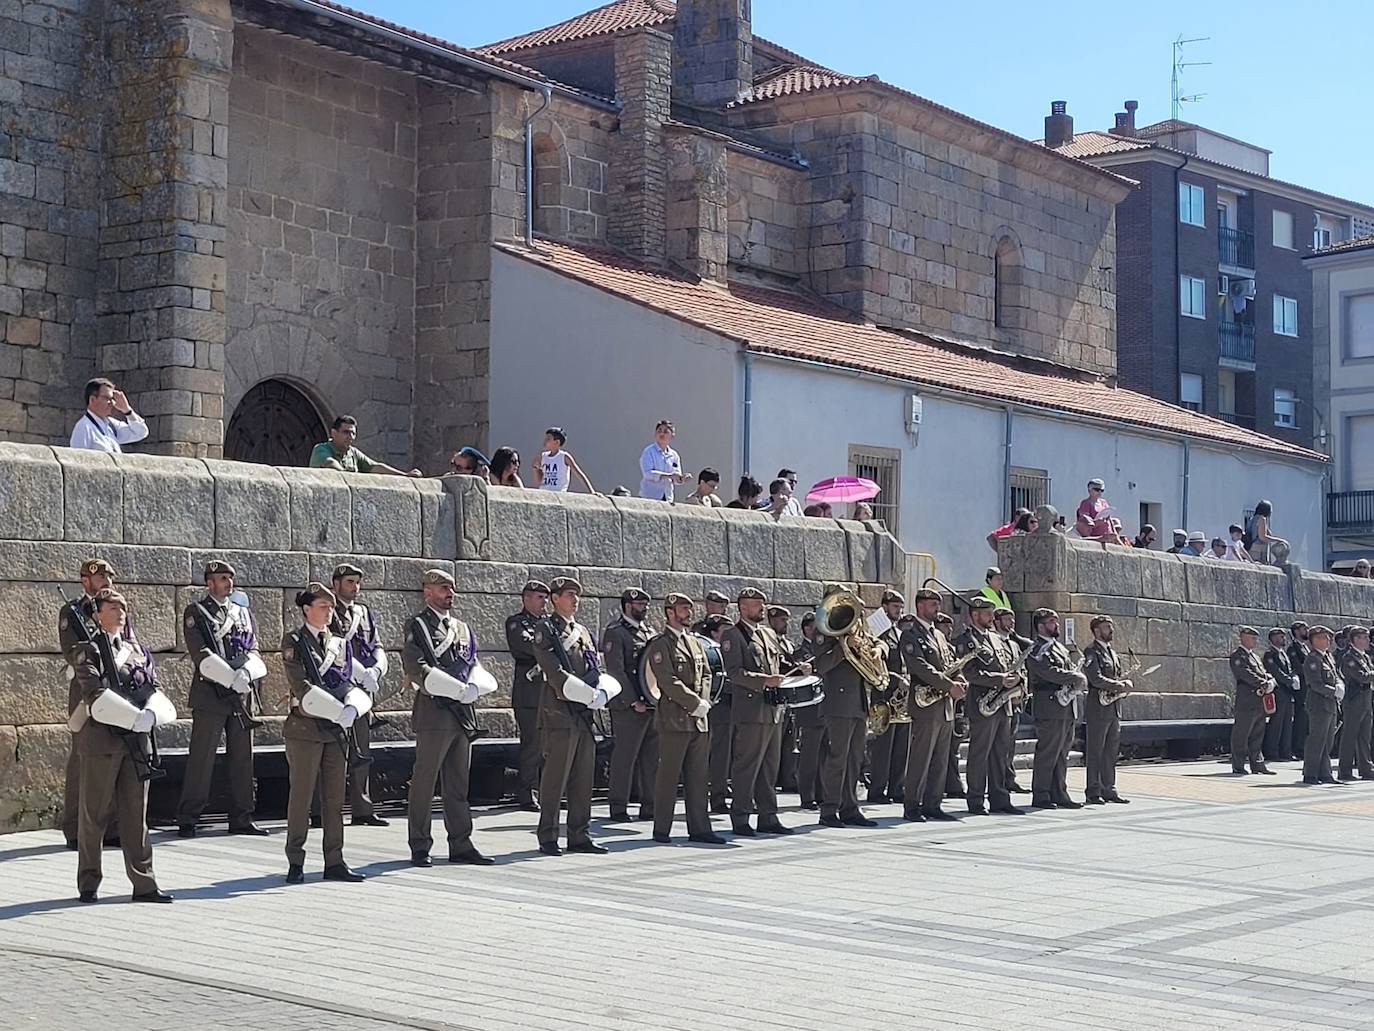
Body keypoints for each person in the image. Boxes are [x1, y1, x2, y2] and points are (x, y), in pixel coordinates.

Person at [71, 589, 174, 904]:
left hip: (136, 744)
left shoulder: (138, 650)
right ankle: (89, 882)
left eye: (123, 607)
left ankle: (144, 883)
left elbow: (152, 686)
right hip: (102, 740)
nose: (120, 612)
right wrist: (133, 717)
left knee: (136, 816)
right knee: (94, 815)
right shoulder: (87, 651)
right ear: (97, 614)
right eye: (112, 607)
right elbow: (93, 693)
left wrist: (151, 715)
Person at [403, 569, 494, 867]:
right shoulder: (417, 625)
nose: (449, 593)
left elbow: (473, 663)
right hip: (435, 712)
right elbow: (416, 667)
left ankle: (461, 842)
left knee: (458, 784)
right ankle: (419, 844)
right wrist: (455, 689)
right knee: (425, 782)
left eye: (451, 588)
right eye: (443, 588)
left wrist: (473, 688)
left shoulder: (463, 628)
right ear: (427, 592)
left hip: (462, 714)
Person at [281, 582, 368, 885]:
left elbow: (345, 681)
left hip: (334, 733)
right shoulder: (294, 640)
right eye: (323, 606)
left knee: (334, 799)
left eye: (331, 607)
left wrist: (352, 706)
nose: (329, 611)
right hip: (305, 729)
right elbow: (300, 684)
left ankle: (335, 860)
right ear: (307, 609)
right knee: (301, 798)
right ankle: (295, 860)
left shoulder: (340, 643)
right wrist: (336, 711)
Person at [176, 560, 267, 838]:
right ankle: (188, 816)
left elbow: (253, 647)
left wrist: (245, 676)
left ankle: (242, 816)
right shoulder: (197, 612)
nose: (227, 582)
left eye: (229, 577)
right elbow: (200, 652)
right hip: (211, 693)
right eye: (221, 578)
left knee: (243, 758)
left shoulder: (242, 613)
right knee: (202, 758)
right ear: (209, 583)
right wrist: (230, 677)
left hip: (240, 694)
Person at [531, 577, 610, 855]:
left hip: (584, 715)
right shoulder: (546, 628)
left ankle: (580, 834)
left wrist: (598, 691)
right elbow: (553, 671)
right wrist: (584, 693)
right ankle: (548, 836)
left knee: (583, 777)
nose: (575, 600)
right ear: (554, 598)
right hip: (560, 711)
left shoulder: (584, 632)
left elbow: (593, 666)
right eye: (568, 595)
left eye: (577, 595)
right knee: (556, 777)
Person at [645, 594, 725, 845]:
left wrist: (705, 701)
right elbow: (667, 681)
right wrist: (693, 703)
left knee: (699, 777)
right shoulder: (661, 644)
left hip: (698, 720)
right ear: (670, 612)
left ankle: (700, 828)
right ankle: (662, 829)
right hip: (675, 719)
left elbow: (707, 675)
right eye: (683, 609)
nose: (688, 613)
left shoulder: (694, 642)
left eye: (689, 609)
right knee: (668, 776)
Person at [720, 587, 795, 836]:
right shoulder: (733, 635)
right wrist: (765, 680)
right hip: (751, 712)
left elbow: (777, 663)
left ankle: (768, 816)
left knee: (769, 767)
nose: (761, 608)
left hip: (772, 710)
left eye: (762, 603)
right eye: (756, 604)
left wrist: (795, 668)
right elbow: (734, 673)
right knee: (747, 767)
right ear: (742, 608)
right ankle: (740, 817)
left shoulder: (768, 634)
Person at [59, 558, 121, 851]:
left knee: (115, 754)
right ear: (86, 581)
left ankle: (110, 827)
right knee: (82, 759)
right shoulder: (72, 611)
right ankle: (74, 828)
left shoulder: (115, 608)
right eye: (101, 578)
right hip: (86, 687)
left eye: (109, 576)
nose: (107, 581)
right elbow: (71, 651)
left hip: (117, 689)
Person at [811, 587, 878, 829]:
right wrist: (843, 647)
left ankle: (850, 807)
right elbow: (821, 665)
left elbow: (875, 643)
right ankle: (829, 810)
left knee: (855, 759)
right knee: (837, 758)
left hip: (858, 702)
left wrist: (877, 650)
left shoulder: (857, 630)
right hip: (838, 704)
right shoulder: (824, 632)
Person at [329, 563, 389, 828]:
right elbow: (331, 648)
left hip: (362, 691)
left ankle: (362, 808)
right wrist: (360, 672)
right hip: (337, 688)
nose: (354, 587)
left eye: (357, 582)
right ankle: (325, 811)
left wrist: (376, 669)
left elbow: (375, 643)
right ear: (336, 584)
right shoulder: (327, 610)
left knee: (361, 749)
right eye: (349, 582)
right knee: (333, 752)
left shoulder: (363, 612)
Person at [899, 589, 966, 823]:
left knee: (940, 758)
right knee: (921, 757)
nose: (936, 608)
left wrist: (960, 680)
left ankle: (933, 803)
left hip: (945, 704)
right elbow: (920, 667)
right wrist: (949, 685)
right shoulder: (910, 635)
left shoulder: (938, 635)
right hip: (925, 704)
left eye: (937, 604)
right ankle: (912, 805)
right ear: (919, 606)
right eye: (931, 605)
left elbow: (950, 662)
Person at [956, 597, 1022, 816]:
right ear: (975, 615)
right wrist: (999, 679)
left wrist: (1012, 680)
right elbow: (970, 672)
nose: (992, 618)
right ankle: (975, 800)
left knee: (1000, 752)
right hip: (982, 702)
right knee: (979, 753)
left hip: (1002, 703)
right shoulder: (967, 640)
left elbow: (1004, 663)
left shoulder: (994, 638)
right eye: (987, 614)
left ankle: (1000, 797)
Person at [602, 589, 658, 823]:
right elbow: (616, 670)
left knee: (651, 757)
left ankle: (650, 806)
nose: (644, 607)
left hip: (650, 703)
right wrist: (633, 700)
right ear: (627, 605)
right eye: (639, 603)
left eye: (646, 603)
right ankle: (618, 806)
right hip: (628, 706)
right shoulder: (616, 633)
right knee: (625, 756)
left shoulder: (650, 632)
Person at [1026, 607, 1087, 809]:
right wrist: (1074, 677)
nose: (1056, 625)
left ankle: (1059, 792)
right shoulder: (1036, 649)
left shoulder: (1059, 648)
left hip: (1066, 705)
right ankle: (1041, 794)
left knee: (1062, 752)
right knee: (1048, 752)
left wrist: (1074, 677)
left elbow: (1067, 669)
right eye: (1052, 622)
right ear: (1041, 626)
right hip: (1049, 704)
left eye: (1057, 622)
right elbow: (1047, 672)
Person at [505, 580, 550, 811]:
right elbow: (528, 646)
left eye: (545, 597)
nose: (544, 602)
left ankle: (547, 791)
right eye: (539, 597)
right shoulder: (516, 622)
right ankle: (527, 792)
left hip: (549, 693)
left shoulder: (549, 624)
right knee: (532, 744)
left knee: (549, 745)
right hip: (529, 694)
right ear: (526, 599)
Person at [1082, 615, 1131, 804]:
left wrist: (1122, 687)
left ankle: (1109, 788)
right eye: (1106, 627)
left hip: (1113, 708)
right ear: (1096, 631)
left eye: (1111, 627)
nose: (1111, 630)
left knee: (1111, 751)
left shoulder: (1113, 653)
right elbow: (1095, 678)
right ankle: (1093, 790)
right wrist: (1120, 686)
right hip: (1098, 708)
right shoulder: (1091, 652)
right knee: (1096, 750)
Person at [866, 590, 908, 804]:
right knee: (883, 746)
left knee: (901, 744)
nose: (899, 612)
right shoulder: (876, 630)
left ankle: (896, 787)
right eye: (894, 607)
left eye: (901, 608)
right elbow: (874, 666)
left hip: (901, 698)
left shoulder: (899, 633)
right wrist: (895, 679)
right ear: (884, 607)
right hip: (883, 695)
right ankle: (877, 790)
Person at [310, 415, 422, 476]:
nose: (350, 437)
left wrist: (405, 475)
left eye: (353, 433)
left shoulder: (353, 453)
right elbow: (329, 463)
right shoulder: (321, 449)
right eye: (346, 432)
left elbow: (375, 467)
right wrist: (346, 475)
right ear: (334, 433)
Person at [995, 607, 1032, 794]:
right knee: (998, 745)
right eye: (1007, 620)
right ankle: (996, 781)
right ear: (997, 621)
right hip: (998, 699)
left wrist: (1021, 686)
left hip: (1014, 700)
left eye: (1013, 620)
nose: (1011, 624)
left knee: (1010, 744)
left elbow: (1023, 670)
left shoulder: (1015, 645)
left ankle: (1009, 778)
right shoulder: (994, 642)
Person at [792, 611, 825, 809]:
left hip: (825, 708)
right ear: (806, 628)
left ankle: (821, 794)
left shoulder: (822, 648)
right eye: (813, 626)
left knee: (824, 757)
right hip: (810, 710)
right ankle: (807, 796)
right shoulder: (801, 651)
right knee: (809, 757)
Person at [1302, 626, 1343, 786]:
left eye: (1326, 638)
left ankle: (1325, 773)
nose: (1325, 641)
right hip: (1319, 704)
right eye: (1320, 638)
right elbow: (1316, 684)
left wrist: (1340, 684)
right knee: (1316, 740)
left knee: (1327, 741)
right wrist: (1334, 691)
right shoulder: (1312, 659)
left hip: (1330, 704)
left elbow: (1336, 675)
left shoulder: (1328, 657)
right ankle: (1310, 774)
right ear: (1312, 641)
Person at [69, 378, 148, 453]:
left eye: (112, 399)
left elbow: (141, 433)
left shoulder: (112, 425)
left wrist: (127, 410)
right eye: (107, 398)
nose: (112, 403)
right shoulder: (83, 427)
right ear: (92, 400)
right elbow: (78, 460)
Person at [768, 606, 800, 794]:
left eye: (786, 620)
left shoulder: (787, 643)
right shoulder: (769, 641)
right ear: (772, 620)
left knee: (789, 741)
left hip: (788, 698)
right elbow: (780, 665)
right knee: (774, 743)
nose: (785, 623)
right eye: (781, 620)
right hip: (774, 697)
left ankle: (788, 778)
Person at [935, 611, 966, 799]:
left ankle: (952, 785)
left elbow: (958, 670)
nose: (949, 630)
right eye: (945, 626)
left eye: (950, 626)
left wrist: (961, 681)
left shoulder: (950, 648)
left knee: (952, 748)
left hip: (953, 704)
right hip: (935, 700)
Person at [1338, 627, 1374, 781]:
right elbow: (1362, 677)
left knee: (1364, 736)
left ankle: (1366, 768)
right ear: (1355, 640)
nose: (1367, 641)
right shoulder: (1349, 657)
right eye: (1363, 638)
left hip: (1366, 698)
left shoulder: (1364, 657)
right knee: (1350, 735)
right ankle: (1345, 770)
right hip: (1354, 700)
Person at [1262, 628, 1299, 763]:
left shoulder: (1283, 653)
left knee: (1287, 724)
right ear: (1272, 639)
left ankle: (1286, 752)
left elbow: (1290, 670)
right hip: (1278, 692)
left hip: (1287, 693)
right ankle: (1272, 752)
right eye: (1278, 637)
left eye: (1283, 637)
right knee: (1276, 724)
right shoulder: (1269, 654)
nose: (1282, 639)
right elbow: (1275, 672)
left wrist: (1294, 678)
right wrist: (1289, 681)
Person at [533, 427, 597, 494]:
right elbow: (539, 481)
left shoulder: (564, 457)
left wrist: (591, 491)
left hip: (558, 493)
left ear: (557, 442)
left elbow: (579, 474)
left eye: (548, 439)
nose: (545, 441)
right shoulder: (542, 456)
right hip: (544, 492)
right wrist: (535, 468)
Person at [639, 420, 686, 501]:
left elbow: (676, 478)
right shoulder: (649, 452)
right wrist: (669, 475)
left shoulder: (674, 455)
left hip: (668, 497)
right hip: (650, 496)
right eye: (659, 431)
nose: (662, 434)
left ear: (672, 435)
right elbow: (647, 473)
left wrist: (681, 479)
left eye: (665, 432)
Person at [1287, 622, 1312, 759]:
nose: (1306, 631)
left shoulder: (1305, 648)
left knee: (1307, 718)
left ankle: (1305, 746)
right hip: (1301, 686)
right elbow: (1298, 666)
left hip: (1308, 686)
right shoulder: (1293, 648)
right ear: (1296, 631)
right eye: (1304, 629)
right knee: (1301, 718)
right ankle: (1298, 748)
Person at [1245, 500, 1289, 565]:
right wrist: (1279, 540)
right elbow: (1262, 537)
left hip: (1251, 548)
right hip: (1259, 550)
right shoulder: (1262, 519)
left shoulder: (1252, 519)